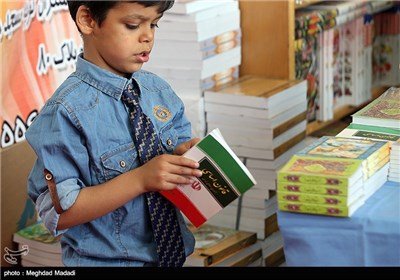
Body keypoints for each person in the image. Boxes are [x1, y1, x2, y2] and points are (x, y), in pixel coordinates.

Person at [26, 0, 203, 267]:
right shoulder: (64, 113)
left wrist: (185, 156)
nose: (148, 37)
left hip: (171, 259)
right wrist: (141, 180)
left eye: (153, 24)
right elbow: (59, 214)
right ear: (88, 20)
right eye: (132, 25)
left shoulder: (158, 91)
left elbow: (178, 156)